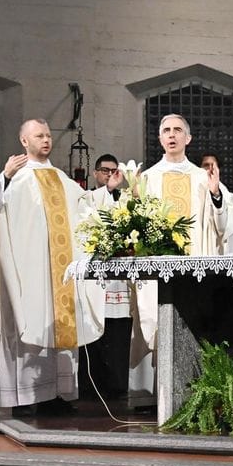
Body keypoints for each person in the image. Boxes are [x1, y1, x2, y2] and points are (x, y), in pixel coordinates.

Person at [0, 119, 104, 416]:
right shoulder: (16, 178)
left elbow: (87, 209)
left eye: (48, 135)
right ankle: (25, 397)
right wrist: (4, 178)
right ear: (24, 141)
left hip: (59, 273)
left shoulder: (61, 178)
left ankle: (55, 395)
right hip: (28, 273)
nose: (46, 140)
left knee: (59, 326)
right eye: (39, 135)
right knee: (28, 322)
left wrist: (106, 192)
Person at [77, 154, 141, 401]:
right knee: (93, 334)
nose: (110, 175)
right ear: (95, 173)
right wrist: (108, 189)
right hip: (95, 280)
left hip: (119, 281)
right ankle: (89, 388)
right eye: (105, 170)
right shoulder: (87, 198)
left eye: (115, 171)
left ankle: (117, 387)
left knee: (118, 336)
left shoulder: (125, 202)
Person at [142, 115, 230, 255]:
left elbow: (221, 228)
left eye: (177, 130)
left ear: (188, 138)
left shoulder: (202, 177)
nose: (171, 135)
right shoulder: (148, 178)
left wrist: (216, 195)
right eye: (166, 131)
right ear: (160, 140)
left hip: (195, 259)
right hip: (158, 258)